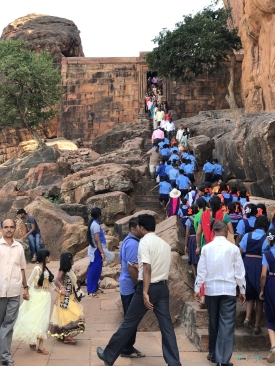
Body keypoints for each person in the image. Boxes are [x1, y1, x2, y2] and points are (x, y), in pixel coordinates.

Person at [97, 214, 182, 366]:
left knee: (129, 322)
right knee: (167, 326)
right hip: (162, 287)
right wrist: (141, 268)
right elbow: (154, 265)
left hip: (148, 286)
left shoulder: (144, 243)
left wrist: (144, 291)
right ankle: (174, 362)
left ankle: (109, 355)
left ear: (142, 228)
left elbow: (148, 267)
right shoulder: (164, 244)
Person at [194, 220, 246, 366]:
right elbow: (239, 272)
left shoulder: (206, 248)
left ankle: (213, 354)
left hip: (211, 290)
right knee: (227, 324)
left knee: (213, 322)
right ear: (225, 230)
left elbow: (201, 271)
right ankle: (222, 359)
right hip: (228, 290)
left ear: (213, 231)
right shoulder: (233, 248)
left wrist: (197, 289)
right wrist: (242, 290)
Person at [13, 249, 65, 355]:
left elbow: (50, 284)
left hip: (45, 297)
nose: (49, 258)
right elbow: (28, 281)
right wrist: (26, 291)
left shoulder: (45, 270)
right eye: (48, 256)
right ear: (45, 257)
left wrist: (59, 291)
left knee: (42, 320)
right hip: (37, 296)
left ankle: (38, 344)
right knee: (36, 319)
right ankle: (37, 344)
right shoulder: (37, 269)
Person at [0, 219, 29, 366]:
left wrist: (25, 287)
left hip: (14, 292)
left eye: (11, 227)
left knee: (8, 324)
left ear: (15, 229)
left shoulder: (19, 247)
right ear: (1, 229)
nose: (9, 230)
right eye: (6, 227)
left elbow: (22, 268)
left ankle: (5, 356)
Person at [118, 218, 145, 359]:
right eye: (139, 228)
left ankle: (128, 345)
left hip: (126, 284)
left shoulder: (126, 241)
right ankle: (126, 347)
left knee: (130, 317)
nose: (142, 230)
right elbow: (131, 268)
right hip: (130, 285)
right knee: (130, 318)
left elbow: (120, 259)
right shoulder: (133, 245)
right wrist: (139, 285)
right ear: (133, 229)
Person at [239, 215, 270, 335]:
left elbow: (240, 251)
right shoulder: (266, 238)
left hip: (247, 263)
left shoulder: (248, 235)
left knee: (249, 293)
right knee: (259, 297)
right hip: (261, 264)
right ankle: (257, 326)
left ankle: (247, 317)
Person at [48, 252, 85, 344]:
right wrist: (61, 287)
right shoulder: (63, 270)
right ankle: (67, 336)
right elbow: (56, 280)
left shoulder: (69, 270)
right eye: (72, 259)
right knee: (72, 314)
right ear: (68, 260)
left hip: (71, 296)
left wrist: (75, 272)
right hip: (65, 297)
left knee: (68, 315)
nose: (73, 260)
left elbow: (70, 280)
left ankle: (65, 335)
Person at [86, 208, 114, 297]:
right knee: (94, 270)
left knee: (98, 270)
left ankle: (94, 287)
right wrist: (101, 252)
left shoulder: (94, 224)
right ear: (99, 215)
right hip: (96, 250)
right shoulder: (96, 225)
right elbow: (97, 240)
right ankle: (90, 290)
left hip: (96, 249)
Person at [260, 228, 275, 362]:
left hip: (271, 283)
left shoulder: (267, 253)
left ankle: (273, 346)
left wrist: (262, 290)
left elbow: (263, 274)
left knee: (271, 316)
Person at [185, 205, 199, 278]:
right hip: (199, 238)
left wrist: (185, 245)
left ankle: (195, 277)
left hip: (192, 240)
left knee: (193, 260)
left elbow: (187, 234)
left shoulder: (189, 220)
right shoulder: (200, 218)